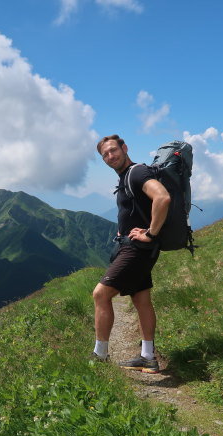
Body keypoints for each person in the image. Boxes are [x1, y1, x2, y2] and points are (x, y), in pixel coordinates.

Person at [91, 134, 171, 373]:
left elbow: (162, 197)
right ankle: (147, 356)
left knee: (101, 294)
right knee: (141, 299)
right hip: (138, 248)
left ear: (125, 148)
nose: (110, 156)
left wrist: (150, 234)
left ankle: (100, 355)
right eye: (105, 154)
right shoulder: (127, 177)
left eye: (113, 150)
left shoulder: (136, 172)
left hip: (137, 249)